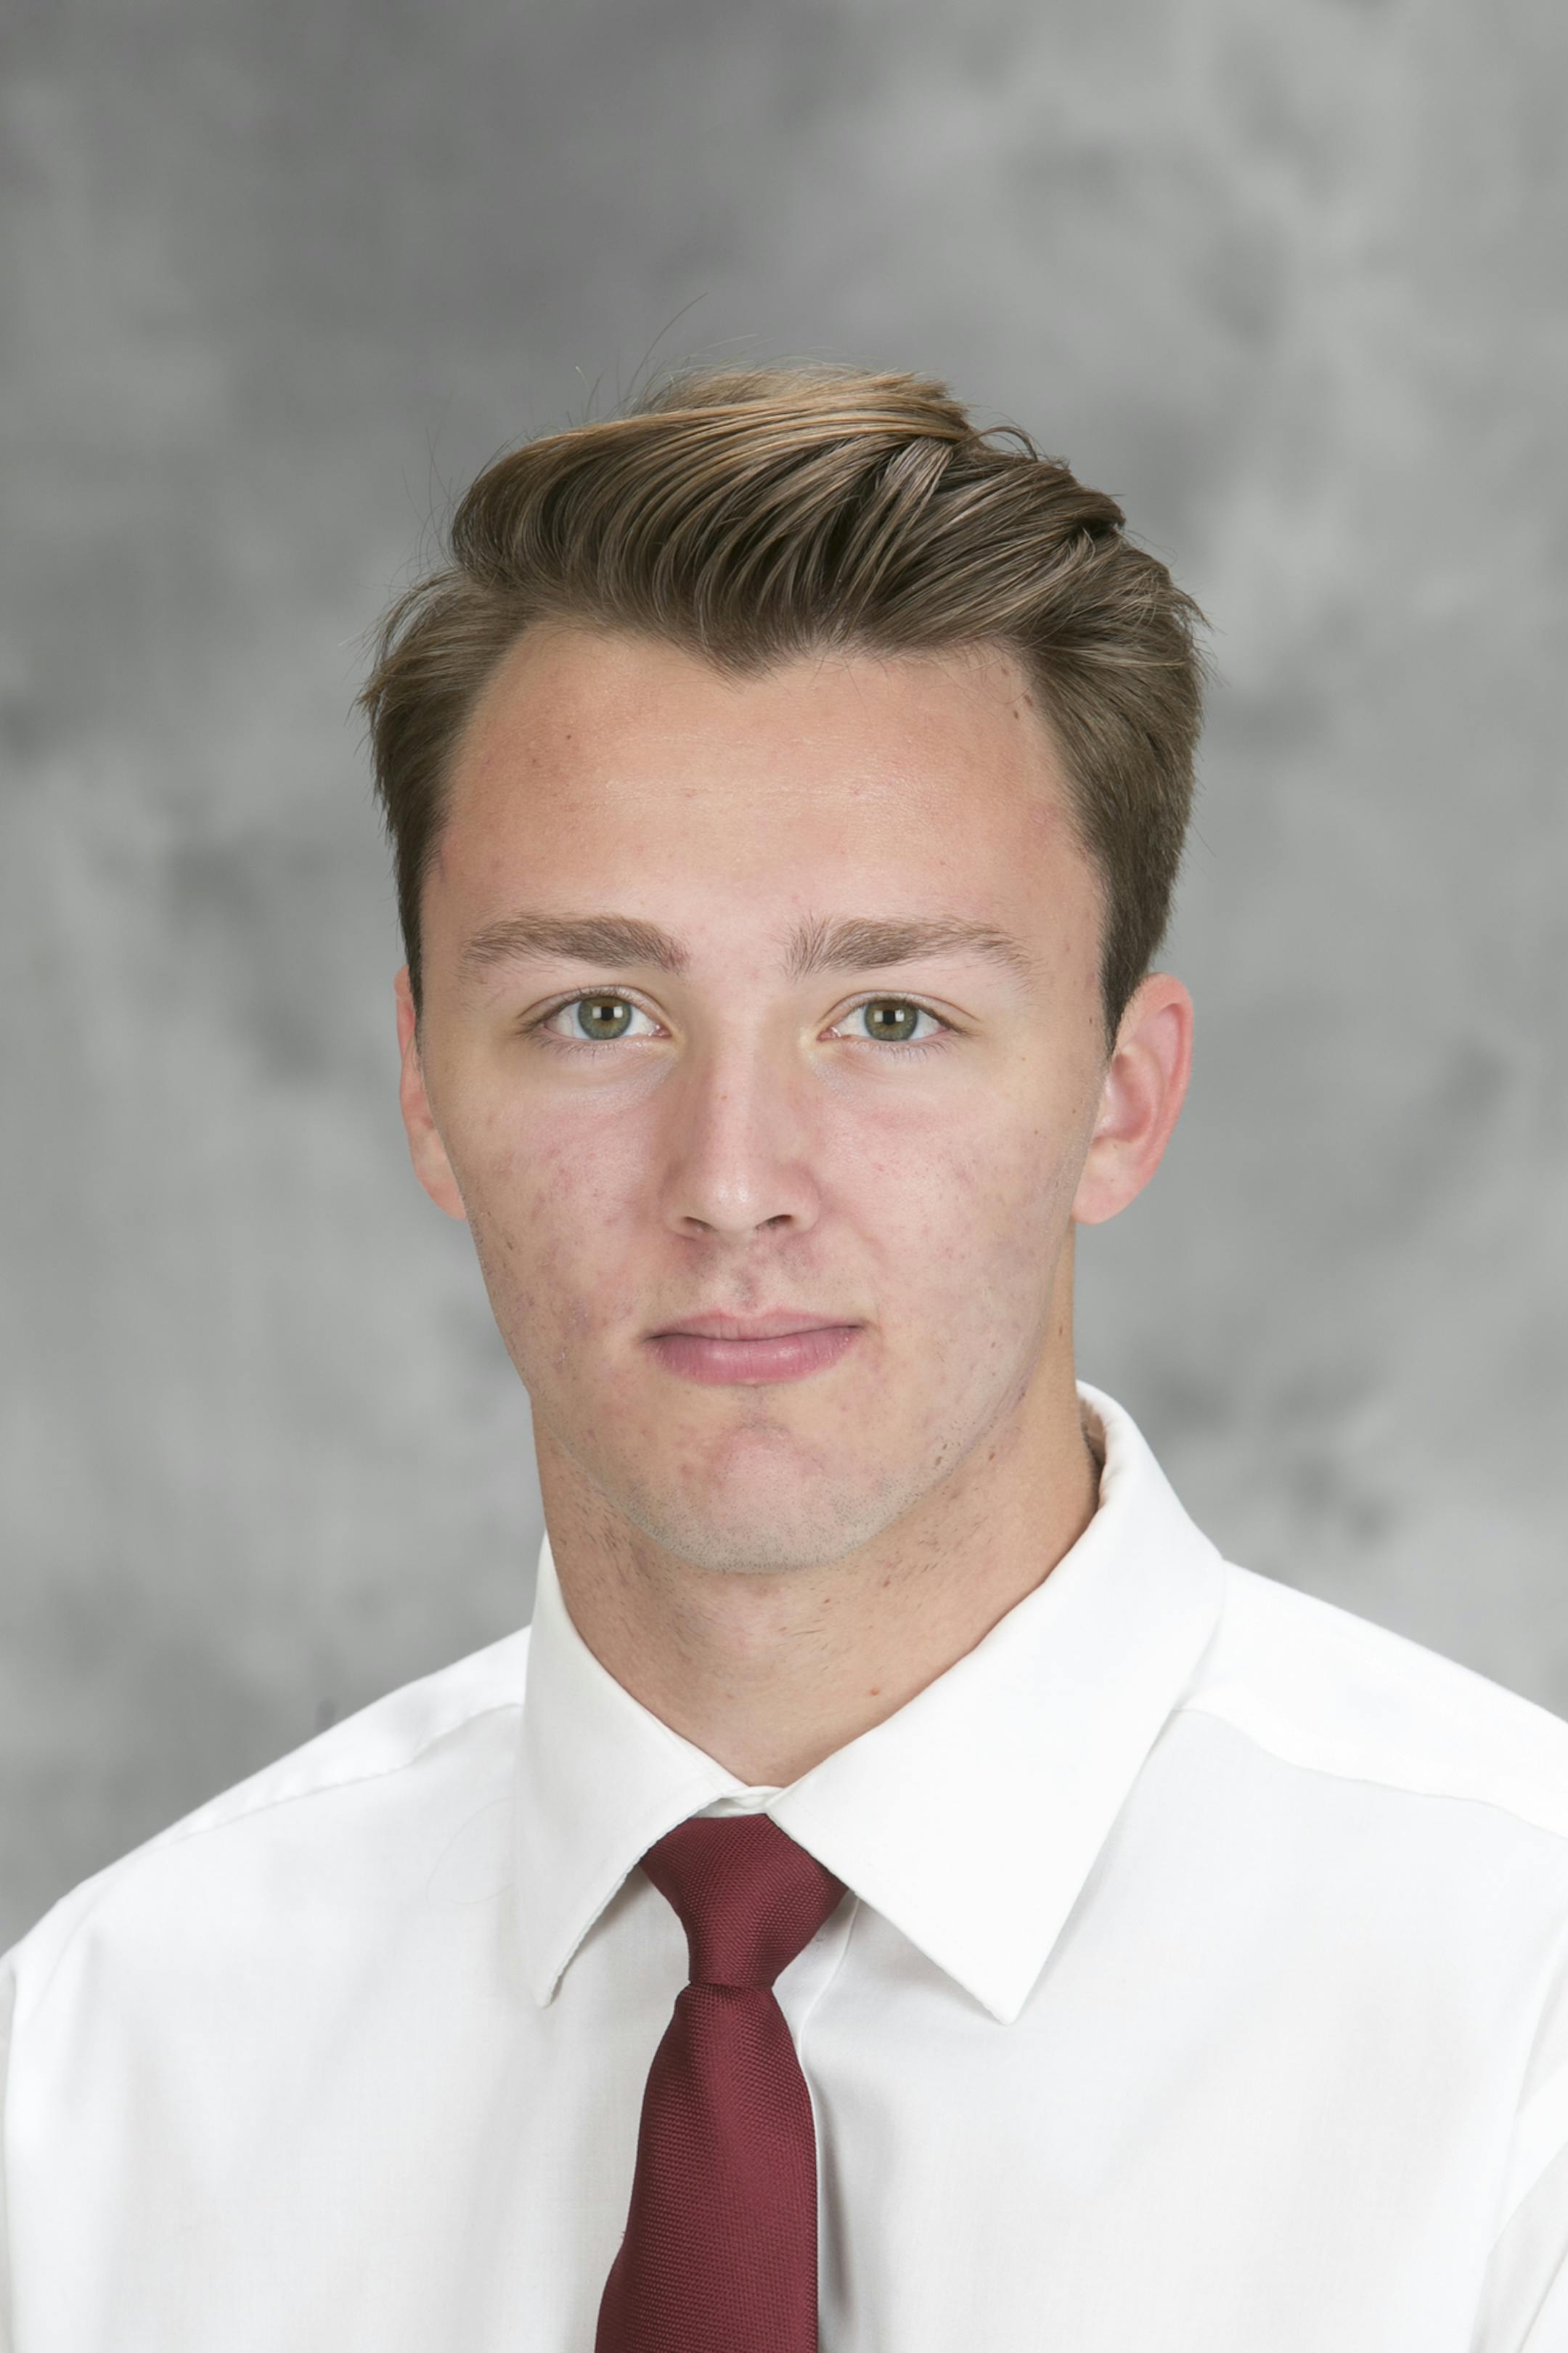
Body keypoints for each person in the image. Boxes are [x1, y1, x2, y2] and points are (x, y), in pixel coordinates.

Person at [2, 364, 1565, 2353]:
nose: (732, 1183)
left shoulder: (1524, 2020)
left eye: (891, 1018)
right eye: (598, 1013)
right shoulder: (95, 2084)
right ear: (424, 1087)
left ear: (1121, 1097)